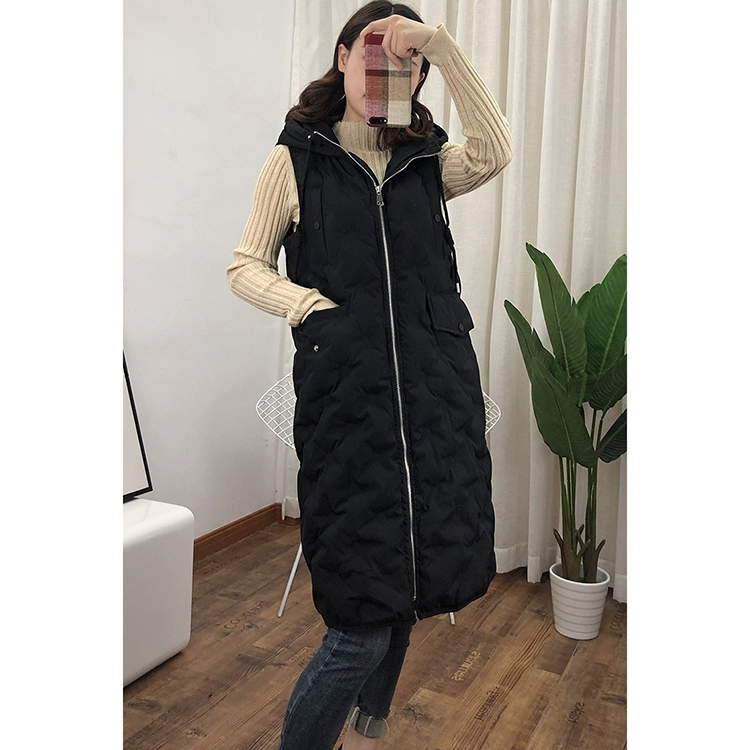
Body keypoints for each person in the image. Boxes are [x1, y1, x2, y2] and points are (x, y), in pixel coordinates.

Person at [226, 3, 513, 749]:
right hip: (347, 402)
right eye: (375, 54)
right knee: (358, 622)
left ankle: (371, 720)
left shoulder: (427, 163)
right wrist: (309, 307)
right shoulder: (295, 161)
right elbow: (245, 266)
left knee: (413, 583)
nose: (389, 72)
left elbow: (496, 148)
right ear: (343, 57)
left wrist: (441, 46)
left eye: (406, 63)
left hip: (435, 396)